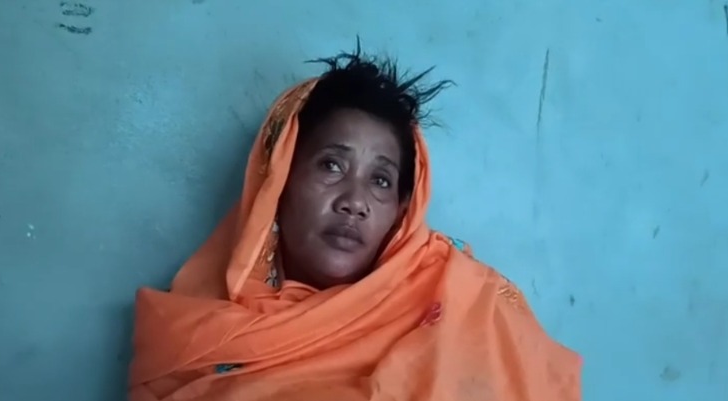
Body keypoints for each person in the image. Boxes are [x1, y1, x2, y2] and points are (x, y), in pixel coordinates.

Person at [129, 43, 581, 401]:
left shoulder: (468, 309)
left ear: (403, 209)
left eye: (381, 180)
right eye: (331, 166)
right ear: (278, 180)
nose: (355, 202)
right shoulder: (190, 339)